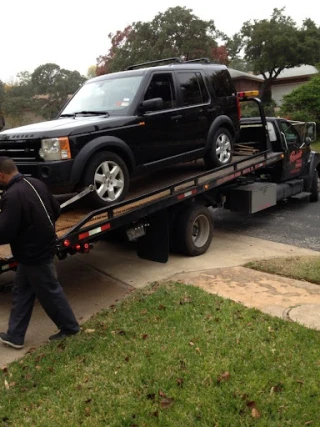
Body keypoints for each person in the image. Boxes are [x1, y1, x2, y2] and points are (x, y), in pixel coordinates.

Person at [0, 157, 79, 349]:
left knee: (49, 291)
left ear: (1, 175)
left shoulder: (11, 195)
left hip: (34, 253)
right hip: (39, 249)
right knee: (22, 291)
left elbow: (5, 231)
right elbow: (57, 209)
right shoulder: (36, 183)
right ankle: (15, 335)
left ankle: (70, 328)